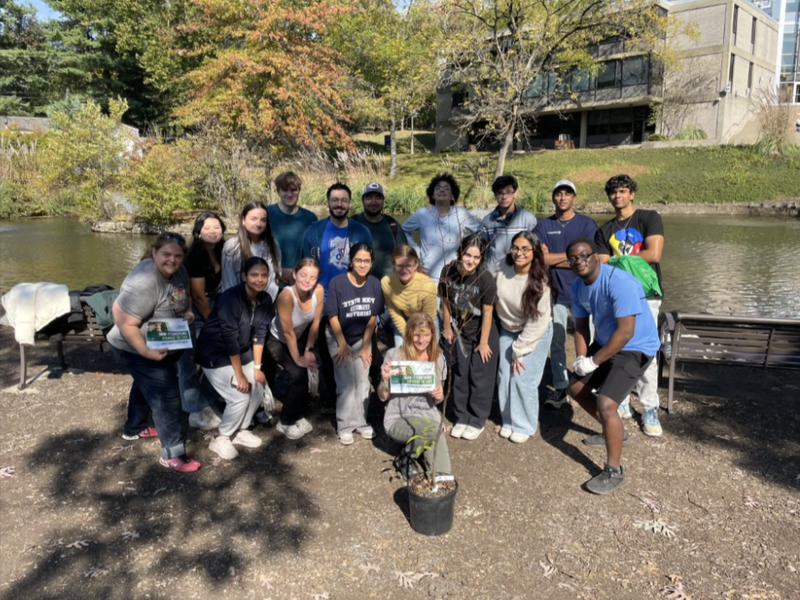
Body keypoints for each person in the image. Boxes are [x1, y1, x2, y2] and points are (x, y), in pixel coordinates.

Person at [566, 238, 660, 494]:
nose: (579, 261)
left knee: (606, 403)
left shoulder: (620, 282)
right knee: (574, 387)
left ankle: (614, 470)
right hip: (608, 340)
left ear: (596, 256)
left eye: (584, 255)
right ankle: (614, 431)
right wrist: (581, 360)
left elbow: (626, 332)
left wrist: (594, 362)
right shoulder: (577, 286)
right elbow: (582, 326)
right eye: (573, 258)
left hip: (635, 346)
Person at [107, 232, 201, 473]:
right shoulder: (144, 281)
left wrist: (187, 312)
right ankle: (172, 454)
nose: (172, 260)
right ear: (154, 253)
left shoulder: (179, 271)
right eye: (166, 254)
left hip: (163, 341)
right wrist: (146, 352)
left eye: (178, 256)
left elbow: (183, 297)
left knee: (145, 385)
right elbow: (125, 322)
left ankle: (134, 428)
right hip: (134, 346)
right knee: (167, 398)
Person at [594, 174, 664, 437]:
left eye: (622, 191)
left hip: (647, 295)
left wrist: (617, 259)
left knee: (647, 351)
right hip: (617, 295)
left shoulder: (649, 218)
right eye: (613, 192)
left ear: (632, 193)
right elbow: (601, 261)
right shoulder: (604, 230)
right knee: (616, 346)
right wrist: (628, 259)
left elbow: (654, 253)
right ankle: (620, 397)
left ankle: (649, 407)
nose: (617, 196)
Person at [302, 182, 373, 414]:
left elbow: (367, 264)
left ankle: (359, 396)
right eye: (335, 200)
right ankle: (332, 396)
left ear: (350, 203)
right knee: (327, 347)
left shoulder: (361, 231)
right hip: (323, 296)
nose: (339, 204)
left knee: (358, 343)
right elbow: (307, 265)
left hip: (353, 296)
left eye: (344, 200)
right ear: (328, 202)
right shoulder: (314, 230)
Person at [195, 257, 275, 460]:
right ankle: (220, 437)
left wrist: (257, 367)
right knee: (239, 395)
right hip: (215, 353)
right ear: (244, 276)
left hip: (242, 350)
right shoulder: (230, 298)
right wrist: (239, 374)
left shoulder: (265, 300)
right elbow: (229, 338)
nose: (259, 279)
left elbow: (260, 334)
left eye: (264, 275)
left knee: (257, 385)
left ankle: (240, 429)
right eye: (254, 275)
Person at [533, 180, 598, 408]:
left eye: (567, 194)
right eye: (558, 194)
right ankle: (561, 387)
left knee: (589, 340)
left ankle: (588, 384)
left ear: (574, 198)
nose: (562, 198)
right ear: (553, 198)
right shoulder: (543, 226)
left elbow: (590, 259)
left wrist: (556, 259)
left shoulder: (586, 224)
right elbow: (541, 260)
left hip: (585, 293)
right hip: (557, 293)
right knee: (557, 341)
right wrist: (573, 258)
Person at [494, 231, 553, 444]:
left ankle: (525, 424)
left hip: (535, 331)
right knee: (504, 374)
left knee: (522, 377)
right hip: (508, 328)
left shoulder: (540, 279)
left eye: (525, 249)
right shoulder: (501, 267)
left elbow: (538, 322)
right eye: (516, 248)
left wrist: (519, 351)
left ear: (534, 252)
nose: (519, 253)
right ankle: (508, 419)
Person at [439, 234, 498, 441]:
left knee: (479, 376)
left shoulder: (485, 278)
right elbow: (445, 302)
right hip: (459, 331)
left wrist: (483, 343)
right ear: (460, 252)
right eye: (467, 255)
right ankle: (462, 416)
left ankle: (477, 419)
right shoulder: (448, 272)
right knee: (461, 374)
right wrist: (447, 328)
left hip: (483, 332)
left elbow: (488, 312)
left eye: (476, 257)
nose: (471, 260)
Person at [323, 243, 384, 445]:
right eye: (358, 260)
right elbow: (332, 316)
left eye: (366, 260)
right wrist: (341, 344)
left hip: (362, 338)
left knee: (363, 380)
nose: (362, 264)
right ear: (351, 261)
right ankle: (344, 426)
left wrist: (366, 346)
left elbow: (372, 319)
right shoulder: (337, 283)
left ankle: (360, 422)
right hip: (337, 335)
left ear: (372, 262)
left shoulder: (375, 284)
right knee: (346, 381)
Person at [377, 312, 450, 479]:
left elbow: (438, 400)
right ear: (409, 333)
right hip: (398, 418)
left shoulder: (438, 359)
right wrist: (385, 380)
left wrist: (439, 394)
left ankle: (439, 485)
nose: (421, 340)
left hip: (427, 416)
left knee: (444, 476)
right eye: (416, 334)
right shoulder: (394, 355)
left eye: (425, 334)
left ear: (433, 334)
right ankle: (406, 457)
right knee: (433, 430)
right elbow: (382, 397)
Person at [267, 258, 324, 440]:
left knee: (311, 369)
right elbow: (288, 332)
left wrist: (308, 349)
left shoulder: (319, 292)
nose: (307, 280)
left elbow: (315, 323)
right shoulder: (286, 296)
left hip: (299, 337)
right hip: (277, 339)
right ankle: (285, 421)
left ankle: (298, 413)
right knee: (298, 374)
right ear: (294, 275)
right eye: (303, 275)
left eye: (312, 277)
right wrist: (298, 359)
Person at [182, 211, 228, 430]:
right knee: (199, 362)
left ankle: (206, 402)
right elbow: (199, 295)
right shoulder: (195, 255)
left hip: (217, 305)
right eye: (207, 228)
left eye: (216, 227)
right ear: (198, 232)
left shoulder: (221, 250)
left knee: (216, 358)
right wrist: (213, 323)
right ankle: (195, 410)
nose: (212, 231)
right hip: (201, 312)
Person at [401, 173, 480, 285]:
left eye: (446, 188)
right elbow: (403, 230)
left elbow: (480, 232)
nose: (442, 190)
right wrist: (416, 251)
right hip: (428, 272)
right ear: (432, 195)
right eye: (438, 188)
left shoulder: (461, 213)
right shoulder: (422, 213)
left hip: (454, 271)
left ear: (452, 195)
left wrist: (468, 253)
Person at [222, 201, 282, 301]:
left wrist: (262, 304)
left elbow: (273, 279)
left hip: (264, 305)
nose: (258, 224)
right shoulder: (231, 246)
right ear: (243, 220)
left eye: (263, 220)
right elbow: (228, 282)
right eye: (253, 219)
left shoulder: (272, 245)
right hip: (236, 305)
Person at [381, 245, 438, 348]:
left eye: (408, 266)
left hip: (427, 321)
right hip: (405, 319)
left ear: (415, 265)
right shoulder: (386, 283)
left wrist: (419, 336)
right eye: (399, 265)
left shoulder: (427, 286)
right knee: (402, 350)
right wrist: (408, 334)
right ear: (393, 265)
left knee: (427, 351)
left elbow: (428, 319)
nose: (404, 270)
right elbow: (394, 312)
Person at [267, 171, 318, 284]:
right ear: (278, 192)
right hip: (270, 279)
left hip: (300, 281)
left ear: (299, 191)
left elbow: (312, 253)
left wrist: (296, 272)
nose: (289, 194)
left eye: (293, 190)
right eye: (285, 190)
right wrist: (278, 271)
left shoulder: (310, 218)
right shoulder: (267, 214)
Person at [480, 175, 538, 273]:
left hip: (519, 273)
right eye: (500, 193)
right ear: (495, 195)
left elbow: (536, 249)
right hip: (494, 274)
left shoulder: (528, 219)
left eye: (508, 192)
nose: (504, 197)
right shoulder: (487, 221)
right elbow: (481, 249)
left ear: (515, 194)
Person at [351, 181, 408, 279]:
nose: (373, 202)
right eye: (369, 198)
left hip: (387, 286)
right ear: (362, 200)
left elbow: (404, 257)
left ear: (383, 200)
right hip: (357, 285)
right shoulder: (352, 223)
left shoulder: (393, 225)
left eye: (378, 198)